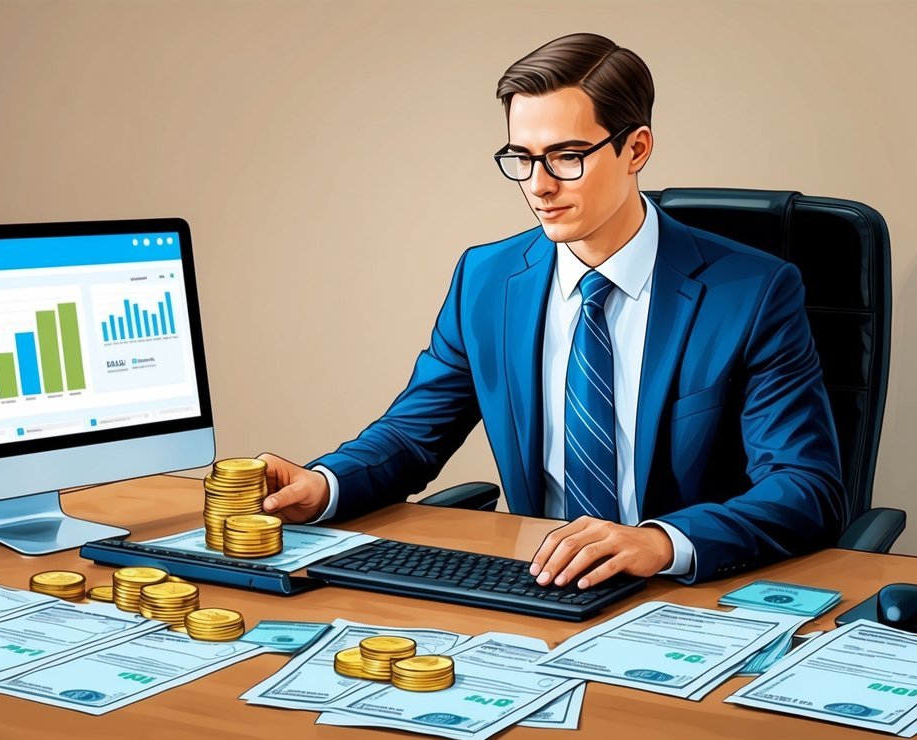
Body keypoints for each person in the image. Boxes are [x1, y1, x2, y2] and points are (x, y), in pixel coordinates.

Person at [255, 32, 845, 587]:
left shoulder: (752, 291)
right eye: (522, 158)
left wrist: (663, 541)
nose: (538, 186)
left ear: (636, 148)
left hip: (682, 591)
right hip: (542, 582)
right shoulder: (486, 280)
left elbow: (804, 485)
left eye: (566, 157)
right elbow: (414, 435)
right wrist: (325, 483)